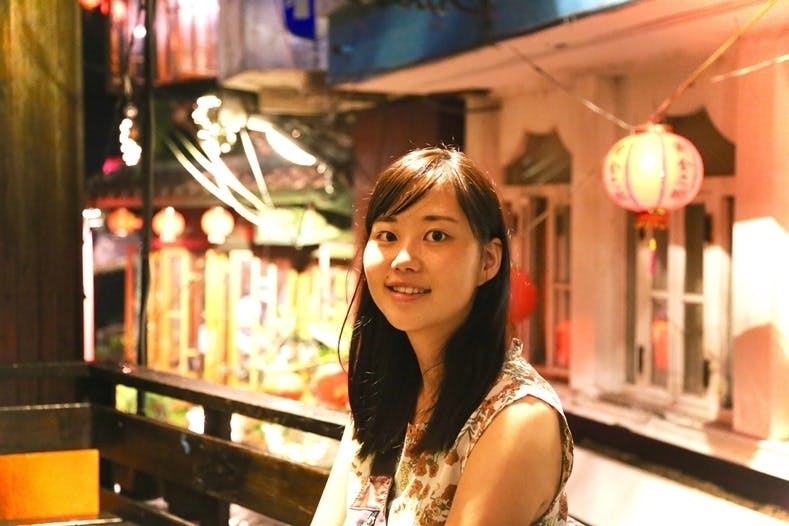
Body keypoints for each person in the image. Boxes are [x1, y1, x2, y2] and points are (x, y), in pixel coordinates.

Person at [311, 146, 573, 525]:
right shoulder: (384, 392)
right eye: (387, 234)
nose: (403, 258)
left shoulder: (516, 419)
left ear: (488, 261)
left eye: (436, 235)